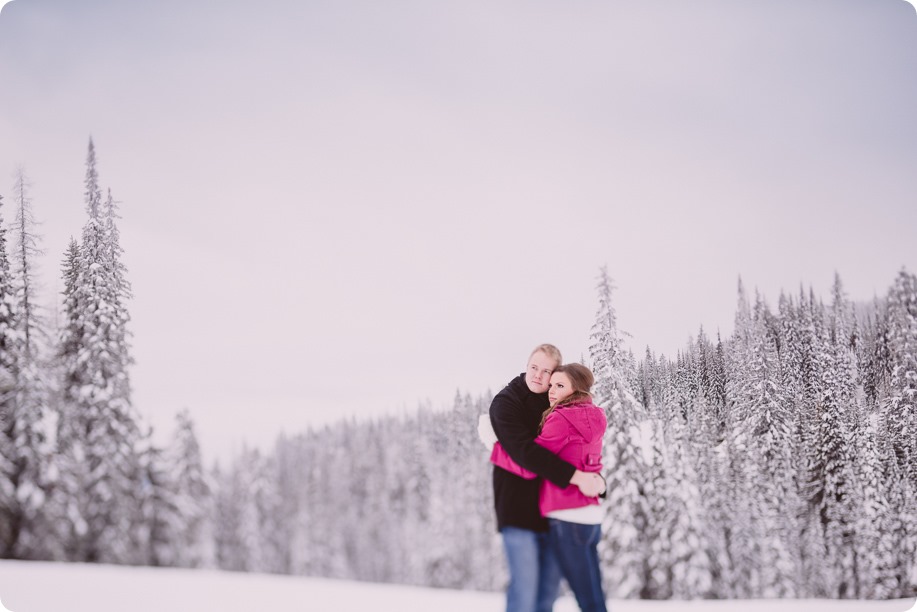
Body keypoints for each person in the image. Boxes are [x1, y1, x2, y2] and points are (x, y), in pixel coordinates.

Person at [480, 345, 606, 612]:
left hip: (553, 513)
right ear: (526, 364)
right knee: (526, 593)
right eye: (534, 367)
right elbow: (527, 455)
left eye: (547, 372)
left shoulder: (556, 404)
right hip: (518, 511)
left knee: (546, 597)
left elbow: (574, 452)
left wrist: (595, 480)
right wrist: (582, 479)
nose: (539, 377)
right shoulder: (506, 404)